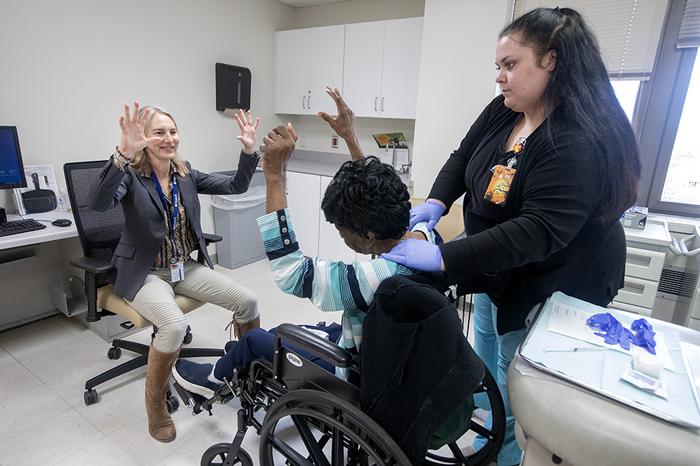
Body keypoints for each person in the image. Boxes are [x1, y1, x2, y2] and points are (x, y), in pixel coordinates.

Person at [382, 7, 640, 465]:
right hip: (494, 272)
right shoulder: (507, 110)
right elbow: (463, 157)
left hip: (553, 281)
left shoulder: (575, 141)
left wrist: (445, 258)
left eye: (510, 65)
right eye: (497, 67)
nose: (500, 78)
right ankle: (489, 425)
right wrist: (438, 202)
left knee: (518, 379)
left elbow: (536, 230)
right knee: (487, 361)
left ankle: (505, 450)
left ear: (551, 61)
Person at [172, 89, 439, 398]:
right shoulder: (423, 234)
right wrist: (351, 139)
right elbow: (377, 189)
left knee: (255, 339)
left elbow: (291, 272)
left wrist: (274, 172)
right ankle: (244, 361)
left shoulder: (373, 279)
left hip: (354, 371)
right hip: (389, 356)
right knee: (285, 333)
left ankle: (212, 382)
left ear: (368, 235)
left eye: (342, 230)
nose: (340, 233)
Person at [90, 102, 262, 443]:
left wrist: (247, 150)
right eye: (158, 132)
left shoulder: (186, 174)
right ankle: (156, 409)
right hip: (145, 272)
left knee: (249, 301)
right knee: (173, 325)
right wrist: (121, 155)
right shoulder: (129, 177)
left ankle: (246, 377)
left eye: (172, 131)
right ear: (142, 138)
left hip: (183, 267)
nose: (168, 138)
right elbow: (97, 203)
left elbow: (236, 187)